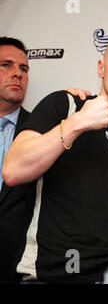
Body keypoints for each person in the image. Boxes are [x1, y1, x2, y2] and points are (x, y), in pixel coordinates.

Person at [2, 34, 108, 283]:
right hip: (47, 276)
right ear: (101, 67)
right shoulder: (64, 105)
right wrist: (77, 123)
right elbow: (13, 171)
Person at [0, 36, 35, 284]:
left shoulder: (41, 131)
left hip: (14, 268)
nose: (18, 74)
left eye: (23, 68)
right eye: (6, 65)